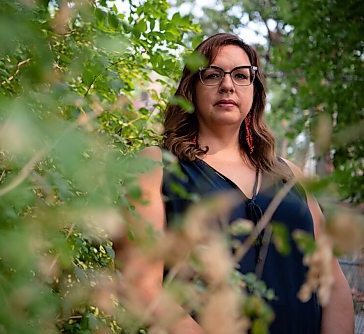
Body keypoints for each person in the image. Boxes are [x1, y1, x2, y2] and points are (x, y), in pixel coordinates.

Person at [115, 33, 354, 333]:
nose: (227, 85)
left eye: (241, 75)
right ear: (191, 88)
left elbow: (331, 281)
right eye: (213, 74)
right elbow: (140, 283)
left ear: (255, 91)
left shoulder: (291, 175)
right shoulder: (156, 166)